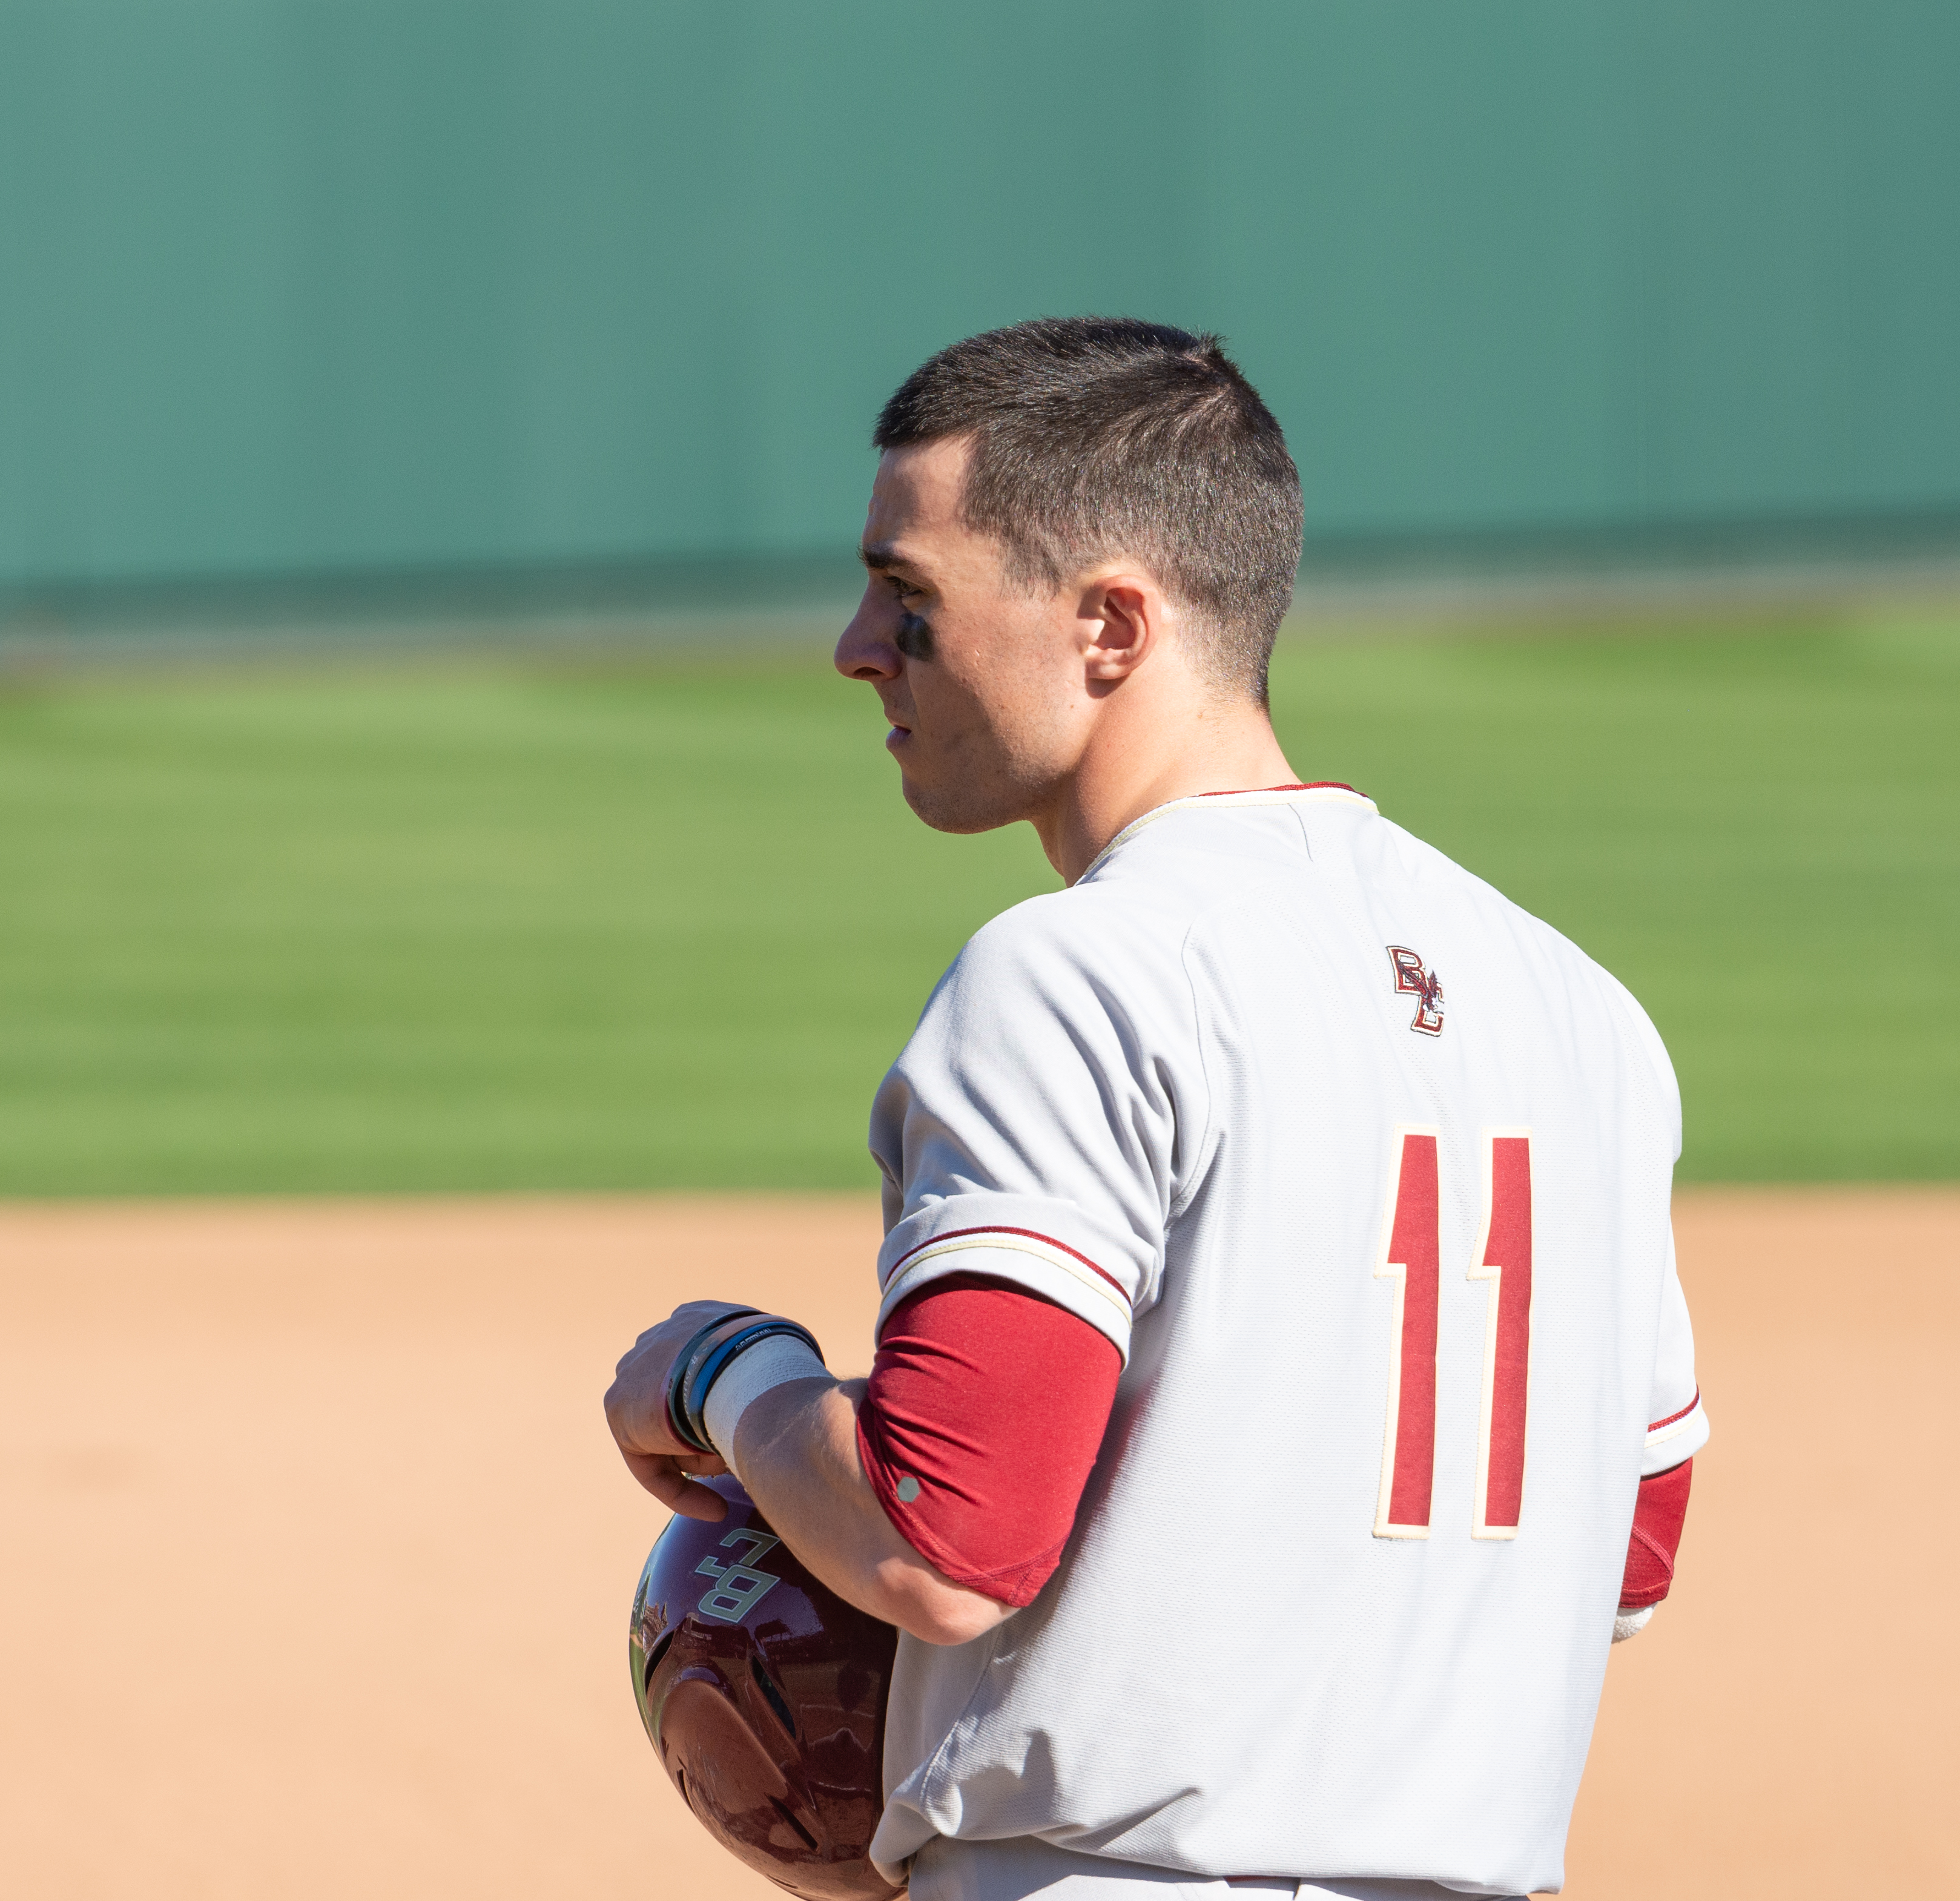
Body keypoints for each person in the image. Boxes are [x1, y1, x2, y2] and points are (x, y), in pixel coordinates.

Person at [602, 318, 1703, 1901]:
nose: (855, 646)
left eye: (908, 597)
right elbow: (1628, 1551)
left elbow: (945, 1539)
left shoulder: (1077, 973)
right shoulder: (1579, 1008)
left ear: (1110, 623)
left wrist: (730, 1377)